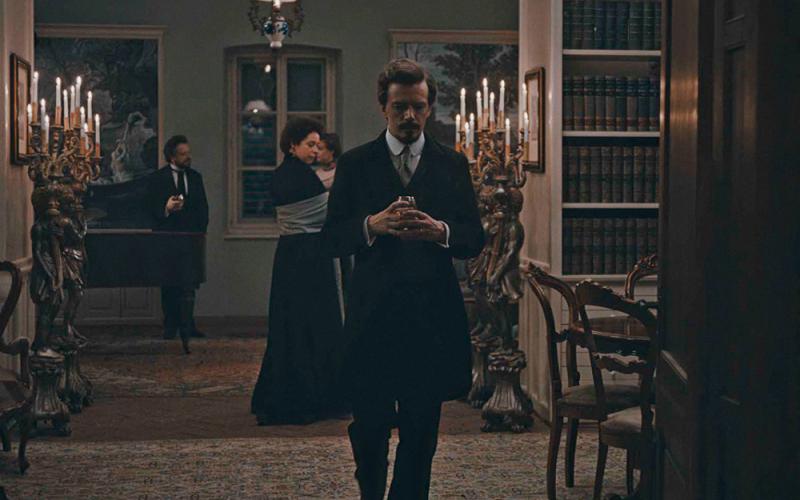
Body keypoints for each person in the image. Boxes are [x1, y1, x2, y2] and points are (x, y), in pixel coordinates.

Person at [322, 59, 484, 499]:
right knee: (369, 429)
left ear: (429, 108)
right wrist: (370, 226)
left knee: (420, 435)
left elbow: (474, 238)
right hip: (372, 319)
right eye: (400, 107)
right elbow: (330, 239)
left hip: (429, 320)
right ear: (383, 107)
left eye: (418, 106)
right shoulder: (356, 163)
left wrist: (441, 231)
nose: (410, 116)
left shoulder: (451, 164)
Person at [251, 117, 347, 425]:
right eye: (310, 145)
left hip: (295, 255)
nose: (316, 150)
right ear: (292, 146)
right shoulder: (298, 176)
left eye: (318, 146)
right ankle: (309, 399)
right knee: (310, 324)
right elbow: (330, 212)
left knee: (296, 325)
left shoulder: (289, 173)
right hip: (307, 257)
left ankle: (299, 396)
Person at [147, 135, 209, 354]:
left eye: (188, 153)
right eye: (183, 154)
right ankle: (170, 325)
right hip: (167, 238)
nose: (188, 157)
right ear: (172, 157)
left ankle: (188, 325)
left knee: (189, 282)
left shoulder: (195, 177)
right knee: (169, 283)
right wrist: (166, 208)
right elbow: (150, 207)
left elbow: (203, 207)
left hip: (190, 238)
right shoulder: (158, 178)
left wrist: (200, 232)